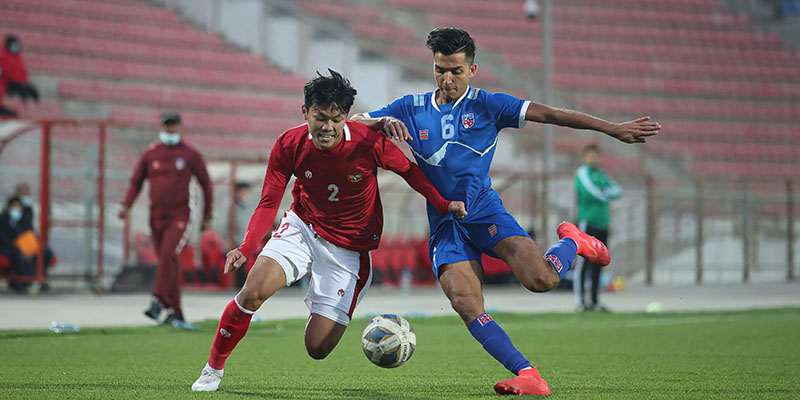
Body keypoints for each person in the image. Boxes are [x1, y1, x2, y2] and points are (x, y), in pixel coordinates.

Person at [351, 27, 660, 395]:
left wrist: (611, 129)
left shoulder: (488, 104)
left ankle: (574, 243)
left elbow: (551, 115)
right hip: (446, 224)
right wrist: (380, 121)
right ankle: (529, 374)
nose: (447, 79)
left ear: (473, 69)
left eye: (455, 71)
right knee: (466, 303)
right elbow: (353, 123)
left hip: (484, 212)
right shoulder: (409, 107)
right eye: (439, 70)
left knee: (542, 281)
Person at [190, 70, 466, 392]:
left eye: (335, 119)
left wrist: (444, 202)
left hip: (349, 251)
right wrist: (247, 248)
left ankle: (324, 304)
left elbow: (410, 172)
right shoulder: (289, 144)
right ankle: (212, 370)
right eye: (320, 117)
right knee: (251, 292)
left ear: (346, 117)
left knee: (317, 348)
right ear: (305, 112)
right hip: (303, 228)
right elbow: (268, 203)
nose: (327, 127)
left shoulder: (368, 141)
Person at [118, 111, 214, 325]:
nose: (169, 130)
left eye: (173, 127)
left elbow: (206, 184)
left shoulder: (190, 154)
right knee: (166, 261)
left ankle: (158, 299)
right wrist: (126, 205)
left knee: (168, 253)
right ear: (161, 128)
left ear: (179, 128)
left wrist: (208, 214)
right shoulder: (150, 153)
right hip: (156, 215)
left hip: (181, 214)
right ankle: (176, 312)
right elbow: (136, 182)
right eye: (166, 127)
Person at [573, 144, 619, 312]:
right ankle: (580, 301)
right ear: (585, 157)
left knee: (599, 262)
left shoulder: (602, 174)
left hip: (603, 222)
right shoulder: (582, 174)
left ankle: (594, 300)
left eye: (596, 156)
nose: (593, 159)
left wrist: (605, 192)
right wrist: (605, 193)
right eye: (590, 156)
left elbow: (617, 191)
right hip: (587, 222)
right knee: (583, 263)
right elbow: (590, 192)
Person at [0, 35, 39, 103]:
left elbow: (22, 72)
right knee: (23, 92)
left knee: (34, 92)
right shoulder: (3, 56)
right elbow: (6, 73)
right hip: (9, 84)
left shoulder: (18, 57)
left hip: (19, 83)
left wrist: (25, 82)